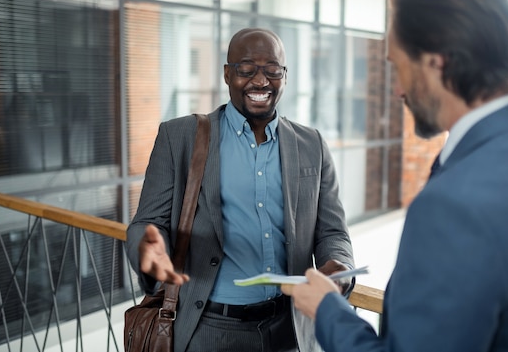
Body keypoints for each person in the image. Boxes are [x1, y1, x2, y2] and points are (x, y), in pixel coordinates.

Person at [282, 0, 508, 352]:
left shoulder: (454, 204)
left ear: (436, 61)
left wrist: (327, 310)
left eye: (398, 66)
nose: (397, 90)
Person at [126, 27, 355, 352]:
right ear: (227, 74)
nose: (260, 81)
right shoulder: (180, 137)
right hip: (207, 329)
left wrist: (340, 265)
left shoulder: (312, 145)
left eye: (272, 71)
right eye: (247, 70)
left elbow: (333, 233)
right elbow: (146, 224)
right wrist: (145, 250)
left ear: (285, 76)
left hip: (288, 331)